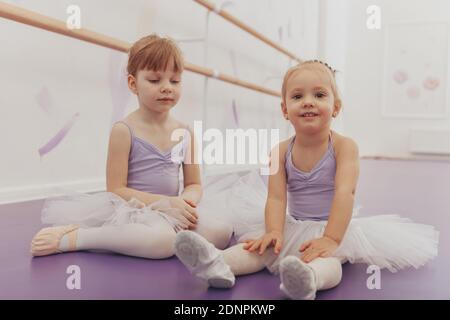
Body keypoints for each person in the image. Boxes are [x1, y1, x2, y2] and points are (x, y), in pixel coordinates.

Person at [173, 60, 439, 299]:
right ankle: (216, 262)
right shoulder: (279, 151)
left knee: (328, 260)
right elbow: (276, 197)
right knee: (261, 248)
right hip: (293, 223)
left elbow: (344, 193)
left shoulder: (345, 147)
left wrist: (331, 239)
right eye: (298, 96)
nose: (308, 101)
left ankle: (307, 280)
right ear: (285, 109)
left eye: (319, 95)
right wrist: (275, 231)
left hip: (332, 225)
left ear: (335, 107)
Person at [30, 34, 233, 259]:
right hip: (136, 210)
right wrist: (163, 203)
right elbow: (116, 190)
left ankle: (173, 237)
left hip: (174, 209)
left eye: (174, 81)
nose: (167, 88)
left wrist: (186, 203)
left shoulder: (185, 132)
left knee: (222, 233)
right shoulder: (123, 130)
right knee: (163, 242)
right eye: (155, 80)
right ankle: (77, 237)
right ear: (132, 84)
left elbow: (194, 183)